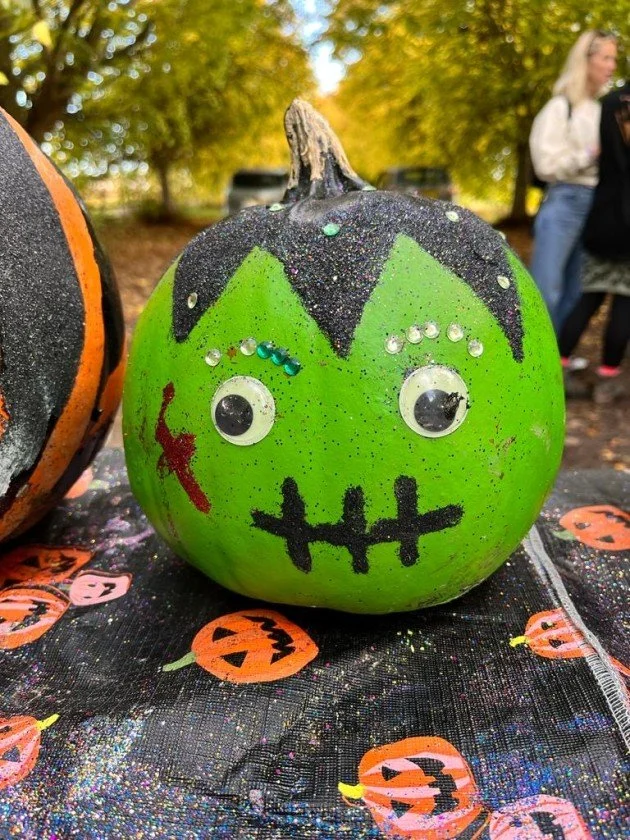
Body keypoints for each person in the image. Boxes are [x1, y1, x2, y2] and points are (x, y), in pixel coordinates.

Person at [529, 30, 617, 334]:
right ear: (586, 59)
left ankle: (557, 363)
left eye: (614, 58)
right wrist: (590, 153)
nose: (612, 65)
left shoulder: (601, 110)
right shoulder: (560, 107)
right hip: (564, 202)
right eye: (606, 57)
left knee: (577, 293)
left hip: (595, 206)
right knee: (546, 291)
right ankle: (536, 369)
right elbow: (546, 165)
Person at [560, 80, 630, 404]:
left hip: (603, 216)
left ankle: (557, 369)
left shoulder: (608, 102)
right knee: (624, 305)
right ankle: (607, 380)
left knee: (589, 299)